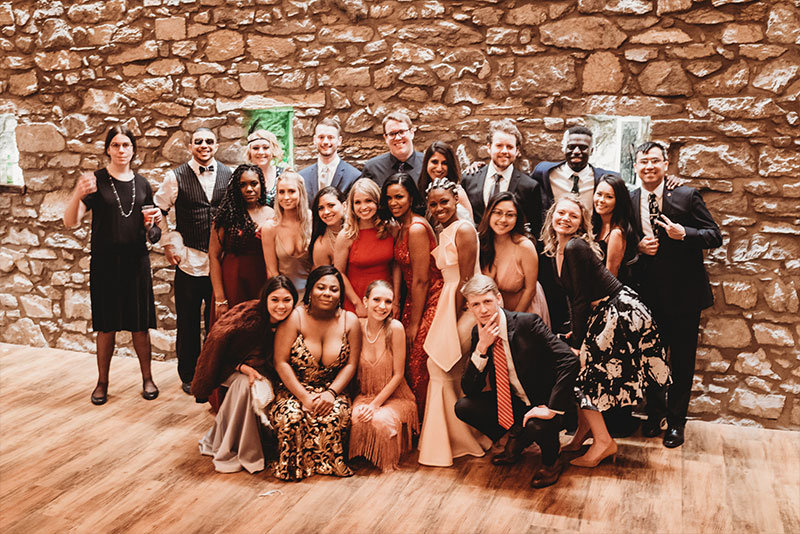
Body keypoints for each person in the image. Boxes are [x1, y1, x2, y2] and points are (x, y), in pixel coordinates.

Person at [541, 196, 671, 467]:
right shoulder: (558, 249)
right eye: (561, 213)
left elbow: (581, 298)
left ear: (581, 224)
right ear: (552, 216)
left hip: (618, 312)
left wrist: (578, 343)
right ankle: (583, 433)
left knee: (583, 376)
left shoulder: (575, 246)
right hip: (603, 312)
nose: (565, 219)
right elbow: (573, 297)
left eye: (573, 216)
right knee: (582, 374)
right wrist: (574, 330)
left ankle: (604, 442)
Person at [630, 141, 722, 448]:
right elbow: (619, 237)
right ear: (635, 166)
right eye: (644, 161)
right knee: (652, 359)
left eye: (655, 161)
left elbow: (715, 236)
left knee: (682, 363)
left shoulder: (687, 195)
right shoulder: (629, 199)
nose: (649, 166)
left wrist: (685, 234)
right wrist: (637, 248)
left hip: (685, 296)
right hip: (647, 297)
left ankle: (676, 422)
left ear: (665, 165)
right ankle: (654, 415)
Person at [63, 125, 162, 405]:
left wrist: (152, 225)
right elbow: (71, 221)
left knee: (140, 326)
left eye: (126, 145)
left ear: (133, 149)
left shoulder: (143, 184)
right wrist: (76, 193)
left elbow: (152, 232)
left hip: (136, 263)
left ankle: (147, 378)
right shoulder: (96, 181)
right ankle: (102, 383)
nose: (121, 150)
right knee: (106, 327)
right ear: (108, 149)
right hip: (105, 265)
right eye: (116, 145)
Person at [455, 275, 579, 488]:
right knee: (464, 407)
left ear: (499, 299)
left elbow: (569, 360)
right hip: (514, 403)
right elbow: (470, 389)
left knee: (537, 425)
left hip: (545, 402)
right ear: (469, 307)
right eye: (476, 304)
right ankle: (518, 436)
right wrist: (481, 348)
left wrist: (552, 408)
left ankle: (552, 462)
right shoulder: (479, 333)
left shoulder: (527, 323)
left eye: (487, 301)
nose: (483, 310)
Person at [154, 127, 233, 394]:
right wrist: (168, 243)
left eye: (209, 141)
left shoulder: (229, 175)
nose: (204, 145)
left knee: (217, 323)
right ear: (190, 147)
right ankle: (189, 375)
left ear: (217, 146)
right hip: (188, 260)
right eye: (198, 141)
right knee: (187, 323)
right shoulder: (174, 177)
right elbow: (159, 210)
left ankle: (214, 374)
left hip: (219, 263)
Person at [192, 276, 298, 473]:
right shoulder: (248, 320)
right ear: (265, 299)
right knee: (244, 385)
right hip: (229, 369)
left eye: (287, 300)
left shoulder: (294, 322)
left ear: (294, 300)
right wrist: (244, 368)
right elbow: (220, 352)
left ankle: (239, 440)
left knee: (250, 386)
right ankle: (243, 449)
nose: (281, 306)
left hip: (264, 372)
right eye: (275, 300)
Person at [419, 179, 490, 467]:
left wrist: (460, 312)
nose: (439, 208)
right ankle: (454, 438)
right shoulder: (443, 230)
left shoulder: (464, 229)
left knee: (440, 365)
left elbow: (467, 278)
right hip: (448, 301)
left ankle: (458, 439)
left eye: (444, 202)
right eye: (433, 204)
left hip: (465, 304)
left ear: (456, 200)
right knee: (444, 366)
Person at [268, 266, 361, 480]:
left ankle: (327, 467)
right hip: (294, 389)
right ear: (310, 290)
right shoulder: (295, 317)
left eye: (334, 289)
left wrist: (331, 393)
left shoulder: (350, 321)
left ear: (340, 294)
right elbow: (280, 362)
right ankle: (292, 467)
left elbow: (351, 365)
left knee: (334, 416)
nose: (327, 293)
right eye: (321, 287)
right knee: (292, 417)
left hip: (332, 390)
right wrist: (304, 397)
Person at [381, 173, 443, 418]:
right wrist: (396, 300)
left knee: (418, 360)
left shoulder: (416, 228)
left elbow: (421, 279)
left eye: (399, 197)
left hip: (431, 295)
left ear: (410, 198)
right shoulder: (400, 227)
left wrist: (415, 323)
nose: (393, 203)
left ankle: (426, 421)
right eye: (389, 198)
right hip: (413, 297)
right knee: (405, 359)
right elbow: (398, 264)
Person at [349, 280, 419, 471]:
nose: (382, 306)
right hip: (366, 394)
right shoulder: (356, 326)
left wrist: (374, 405)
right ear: (365, 301)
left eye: (388, 301)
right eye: (376, 300)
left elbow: (398, 375)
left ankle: (387, 461)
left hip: (396, 396)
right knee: (356, 418)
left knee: (380, 420)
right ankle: (364, 457)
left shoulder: (395, 328)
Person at [208, 164, 274, 326]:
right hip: (232, 282)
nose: (249, 189)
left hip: (261, 281)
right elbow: (213, 256)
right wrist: (220, 298)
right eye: (243, 185)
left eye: (254, 183)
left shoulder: (272, 214)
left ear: (261, 185)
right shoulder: (226, 217)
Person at [460, 118, 542, 237]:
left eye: (509, 147)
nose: (504, 151)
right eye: (499, 146)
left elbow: (535, 229)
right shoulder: (469, 178)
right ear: (489, 148)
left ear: (517, 151)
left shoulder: (529, 186)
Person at [478, 191, 550, 327]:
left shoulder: (525, 246)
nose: (503, 219)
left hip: (523, 311)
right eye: (498, 213)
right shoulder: (480, 243)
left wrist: (512, 321)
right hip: (491, 314)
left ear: (517, 218)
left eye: (510, 215)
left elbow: (530, 290)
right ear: (488, 214)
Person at [334, 178, 394, 316]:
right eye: (358, 202)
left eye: (368, 201)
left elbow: (395, 266)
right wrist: (357, 303)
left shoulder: (390, 229)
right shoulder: (346, 236)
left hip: (385, 300)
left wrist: (395, 298)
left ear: (377, 201)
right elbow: (339, 273)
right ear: (352, 205)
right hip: (356, 301)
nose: (363, 207)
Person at [531, 125, 618, 216]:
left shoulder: (603, 179)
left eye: (583, 147)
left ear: (591, 151)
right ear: (564, 148)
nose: (576, 151)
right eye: (571, 147)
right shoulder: (543, 172)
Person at [261, 171, 313, 297]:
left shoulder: (312, 220)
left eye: (291, 191)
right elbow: (272, 272)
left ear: (301, 192)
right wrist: (284, 299)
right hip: (284, 295)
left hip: (312, 292)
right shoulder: (270, 228)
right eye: (281, 192)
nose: (286, 197)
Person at [298, 118, 361, 207]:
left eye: (330, 137)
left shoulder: (353, 176)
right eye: (321, 137)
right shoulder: (302, 177)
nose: (325, 142)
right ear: (314, 140)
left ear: (339, 141)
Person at [591, 173, 638, 284]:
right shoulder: (596, 225)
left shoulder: (617, 233)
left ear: (619, 201)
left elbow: (611, 275)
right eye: (599, 194)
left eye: (609, 197)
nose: (601, 200)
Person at [360, 111, 424, 188]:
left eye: (402, 132)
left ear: (412, 133)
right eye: (392, 134)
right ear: (385, 138)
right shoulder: (372, 168)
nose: (397, 138)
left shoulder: (426, 165)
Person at [417, 141, 473, 222]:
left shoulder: (457, 193)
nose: (439, 168)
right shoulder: (421, 190)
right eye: (434, 162)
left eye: (444, 163)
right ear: (426, 163)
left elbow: (469, 226)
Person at [245, 129, 284, 208]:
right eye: (255, 148)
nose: (261, 152)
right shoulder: (242, 177)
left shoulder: (283, 175)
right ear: (249, 152)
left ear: (273, 150)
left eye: (265, 148)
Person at [309, 186, 346, 268]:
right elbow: (325, 276)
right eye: (321, 208)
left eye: (331, 205)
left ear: (344, 206)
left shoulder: (357, 228)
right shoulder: (321, 245)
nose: (326, 212)